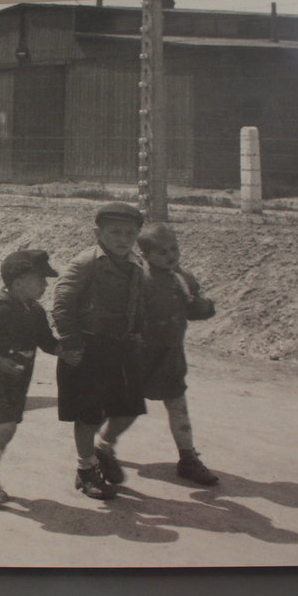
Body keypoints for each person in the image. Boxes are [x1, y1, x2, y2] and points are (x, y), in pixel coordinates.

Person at [52, 202, 147, 500]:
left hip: (120, 347)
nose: (123, 239)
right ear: (98, 233)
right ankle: (86, 469)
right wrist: (71, 343)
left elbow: (140, 302)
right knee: (88, 414)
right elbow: (62, 303)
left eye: (129, 233)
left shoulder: (137, 264)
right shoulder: (87, 262)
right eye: (115, 232)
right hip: (88, 347)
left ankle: (102, 447)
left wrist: (139, 333)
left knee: (129, 405)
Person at [0, 250, 60, 504]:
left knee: (4, 427)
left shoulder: (35, 310)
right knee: (5, 427)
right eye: (40, 279)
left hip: (17, 377)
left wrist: (68, 351)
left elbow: (47, 342)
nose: (46, 285)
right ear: (18, 283)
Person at [134, 222, 219, 486]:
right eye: (162, 252)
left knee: (178, 408)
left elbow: (194, 310)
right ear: (146, 255)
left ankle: (188, 458)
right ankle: (101, 448)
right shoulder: (139, 280)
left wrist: (203, 306)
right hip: (138, 357)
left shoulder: (183, 277)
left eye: (174, 249)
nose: (171, 256)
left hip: (170, 357)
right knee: (119, 408)